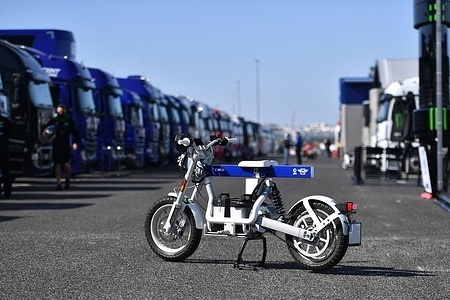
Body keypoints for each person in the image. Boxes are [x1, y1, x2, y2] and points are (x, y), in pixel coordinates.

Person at [45, 104, 80, 190]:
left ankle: (67, 179)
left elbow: (75, 132)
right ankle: (58, 183)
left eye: (62, 111)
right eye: (59, 111)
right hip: (56, 145)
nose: (60, 112)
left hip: (66, 145)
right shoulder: (54, 120)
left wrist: (75, 142)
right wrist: (47, 138)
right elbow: (46, 130)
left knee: (66, 164)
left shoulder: (68, 120)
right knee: (57, 164)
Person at [0, 114, 12, 198]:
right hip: (4, 148)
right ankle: (7, 191)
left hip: (3, 148)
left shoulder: (5, 121)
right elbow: (11, 133)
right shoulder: (5, 120)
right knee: (6, 170)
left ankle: (7, 190)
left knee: (5, 170)